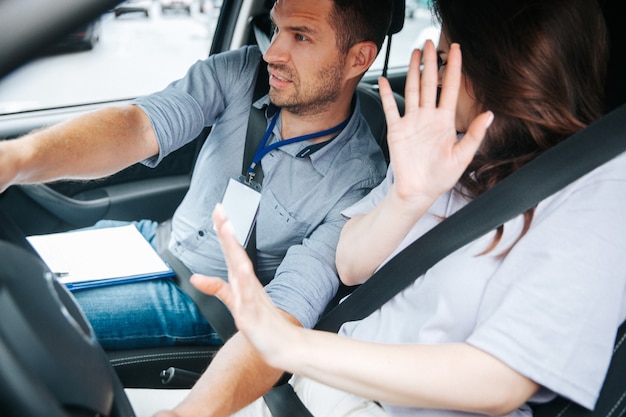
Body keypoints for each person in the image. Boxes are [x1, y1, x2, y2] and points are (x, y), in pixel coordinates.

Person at [186, 0, 626, 416]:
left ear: (496, 67)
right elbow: (349, 264)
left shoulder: (598, 188)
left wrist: (292, 346)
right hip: (315, 389)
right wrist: (406, 199)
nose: (430, 73)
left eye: (441, 58)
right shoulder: (440, 143)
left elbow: (501, 380)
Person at [0, 0, 392, 414]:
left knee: (17, 318)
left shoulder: (359, 183)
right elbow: (137, 126)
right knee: (13, 267)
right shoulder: (244, 72)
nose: (273, 52)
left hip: (205, 303)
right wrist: (17, 159)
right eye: (276, 30)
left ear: (359, 58)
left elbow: (281, 321)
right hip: (156, 241)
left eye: (300, 36)